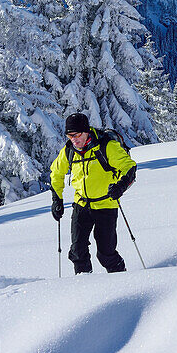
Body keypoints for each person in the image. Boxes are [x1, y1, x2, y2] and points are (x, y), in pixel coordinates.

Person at [50, 113, 137, 274]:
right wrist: (57, 200)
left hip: (106, 204)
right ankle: (85, 286)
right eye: (69, 135)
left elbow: (129, 167)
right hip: (81, 205)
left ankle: (121, 281)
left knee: (106, 253)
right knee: (77, 251)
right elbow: (56, 173)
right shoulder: (69, 151)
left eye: (77, 135)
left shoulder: (106, 146)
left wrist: (120, 186)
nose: (73, 139)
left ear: (86, 131)